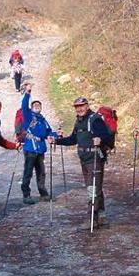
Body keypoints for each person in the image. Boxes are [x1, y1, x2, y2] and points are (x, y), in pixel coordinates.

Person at [49, 96, 113, 228]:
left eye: (82, 106)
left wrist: (100, 139)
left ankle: (91, 219)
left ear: (87, 106)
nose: (79, 109)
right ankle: (102, 216)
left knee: (92, 188)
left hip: (95, 158)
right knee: (95, 187)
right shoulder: (79, 122)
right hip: (84, 158)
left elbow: (107, 136)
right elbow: (73, 139)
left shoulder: (95, 120)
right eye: (77, 107)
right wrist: (57, 140)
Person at [18, 82, 58, 204]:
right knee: (28, 172)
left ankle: (43, 192)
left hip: (40, 149)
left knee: (41, 172)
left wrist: (56, 135)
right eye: (34, 104)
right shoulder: (28, 115)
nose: (37, 106)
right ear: (31, 106)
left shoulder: (43, 120)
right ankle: (26, 194)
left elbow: (49, 132)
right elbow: (24, 105)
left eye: (39, 105)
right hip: (30, 148)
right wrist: (28, 92)